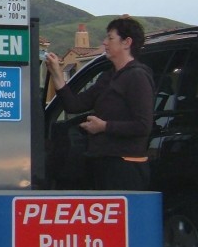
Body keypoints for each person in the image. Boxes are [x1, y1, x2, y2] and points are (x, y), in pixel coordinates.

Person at [44, 16, 154, 191]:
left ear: (127, 42)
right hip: (102, 162)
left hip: (126, 167)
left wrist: (104, 126)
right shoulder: (108, 76)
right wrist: (57, 73)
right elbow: (75, 105)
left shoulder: (137, 77)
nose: (105, 43)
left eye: (110, 38)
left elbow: (143, 126)